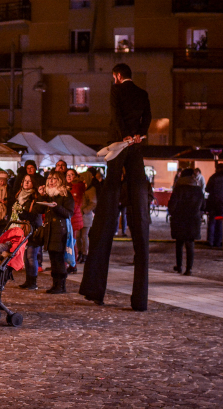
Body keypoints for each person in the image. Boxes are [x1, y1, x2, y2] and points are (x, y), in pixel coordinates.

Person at [79, 63, 151, 311]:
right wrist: (138, 135)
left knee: (109, 203)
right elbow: (148, 118)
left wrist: (125, 136)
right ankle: (140, 299)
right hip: (136, 147)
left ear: (118, 76)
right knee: (140, 210)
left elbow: (116, 114)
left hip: (119, 144)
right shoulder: (142, 94)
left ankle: (95, 289)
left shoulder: (116, 90)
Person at [36, 171, 76, 294]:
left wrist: (56, 206)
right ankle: (55, 284)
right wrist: (41, 196)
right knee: (53, 258)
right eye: (49, 178)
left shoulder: (65, 195)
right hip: (50, 230)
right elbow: (39, 209)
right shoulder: (49, 194)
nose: (51, 181)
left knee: (58, 258)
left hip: (60, 230)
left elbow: (69, 213)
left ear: (60, 181)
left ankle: (61, 285)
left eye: (54, 179)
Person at [168, 169, 204, 276]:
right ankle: (189, 269)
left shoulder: (178, 189)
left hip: (180, 218)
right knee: (190, 243)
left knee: (179, 242)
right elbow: (204, 205)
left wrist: (173, 213)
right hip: (193, 219)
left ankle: (179, 266)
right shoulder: (198, 189)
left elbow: (172, 205)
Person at [11, 174, 44, 290]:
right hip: (23, 229)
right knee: (26, 256)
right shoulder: (19, 195)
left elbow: (35, 214)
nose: (26, 183)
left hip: (33, 229)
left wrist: (21, 213)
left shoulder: (35, 197)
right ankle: (28, 280)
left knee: (31, 256)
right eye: (25, 180)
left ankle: (33, 282)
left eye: (29, 181)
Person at [205, 163, 223, 249]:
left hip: (213, 202)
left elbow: (207, 189)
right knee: (221, 223)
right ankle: (219, 241)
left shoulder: (213, 177)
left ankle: (210, 241)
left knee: (212, 222)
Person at [66, 168, 85, 274]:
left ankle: (73, 264)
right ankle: (69, 264)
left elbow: (76, 204)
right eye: (67, 175)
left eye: (71, 174)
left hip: (73, 218)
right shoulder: (67, 187)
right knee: (68, 242)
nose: (69, 177)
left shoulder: (77, 187)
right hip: (68, 217)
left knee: (72, 242)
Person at [78, 171, 97, 264]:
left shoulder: (91, 189)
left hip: (85, 216)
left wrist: (84, 210)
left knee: (84, 236)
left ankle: (85, 253)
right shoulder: (80, 188)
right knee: (77, 236)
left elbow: (93, 203)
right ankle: (79, 252)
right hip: (78, 216)